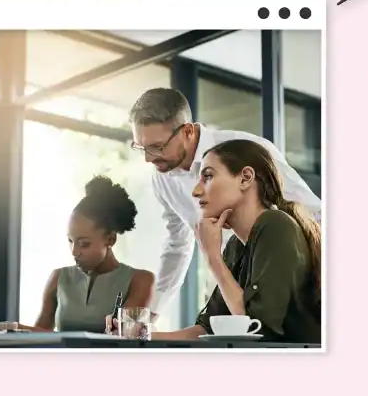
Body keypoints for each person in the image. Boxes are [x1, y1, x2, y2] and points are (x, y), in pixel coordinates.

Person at [128, 87, 322, 313]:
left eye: (156, 147)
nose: (148, 158)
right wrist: (149, 313)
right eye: (140, 147)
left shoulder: (247, 150)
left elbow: (314, 215)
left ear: (188, 131)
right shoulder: (162, 178)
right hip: (226, 291)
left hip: (288, 291)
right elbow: (177, 245)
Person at [154, 138, 322, 345]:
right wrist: (139, 334)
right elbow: (206, 330)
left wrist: (213, 258)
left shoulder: (277, 225)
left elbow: (256, 328)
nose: (195, 191)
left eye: (207, 176)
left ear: (245, 178)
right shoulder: (236, 245)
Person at [14, 176, 153, 333]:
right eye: (70, 241)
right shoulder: (58, 278)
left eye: (84, 244)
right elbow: (40, 335)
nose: (74, 252)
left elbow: (124, 337)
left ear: (110, 239)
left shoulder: (140, 281)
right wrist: (8, 328)